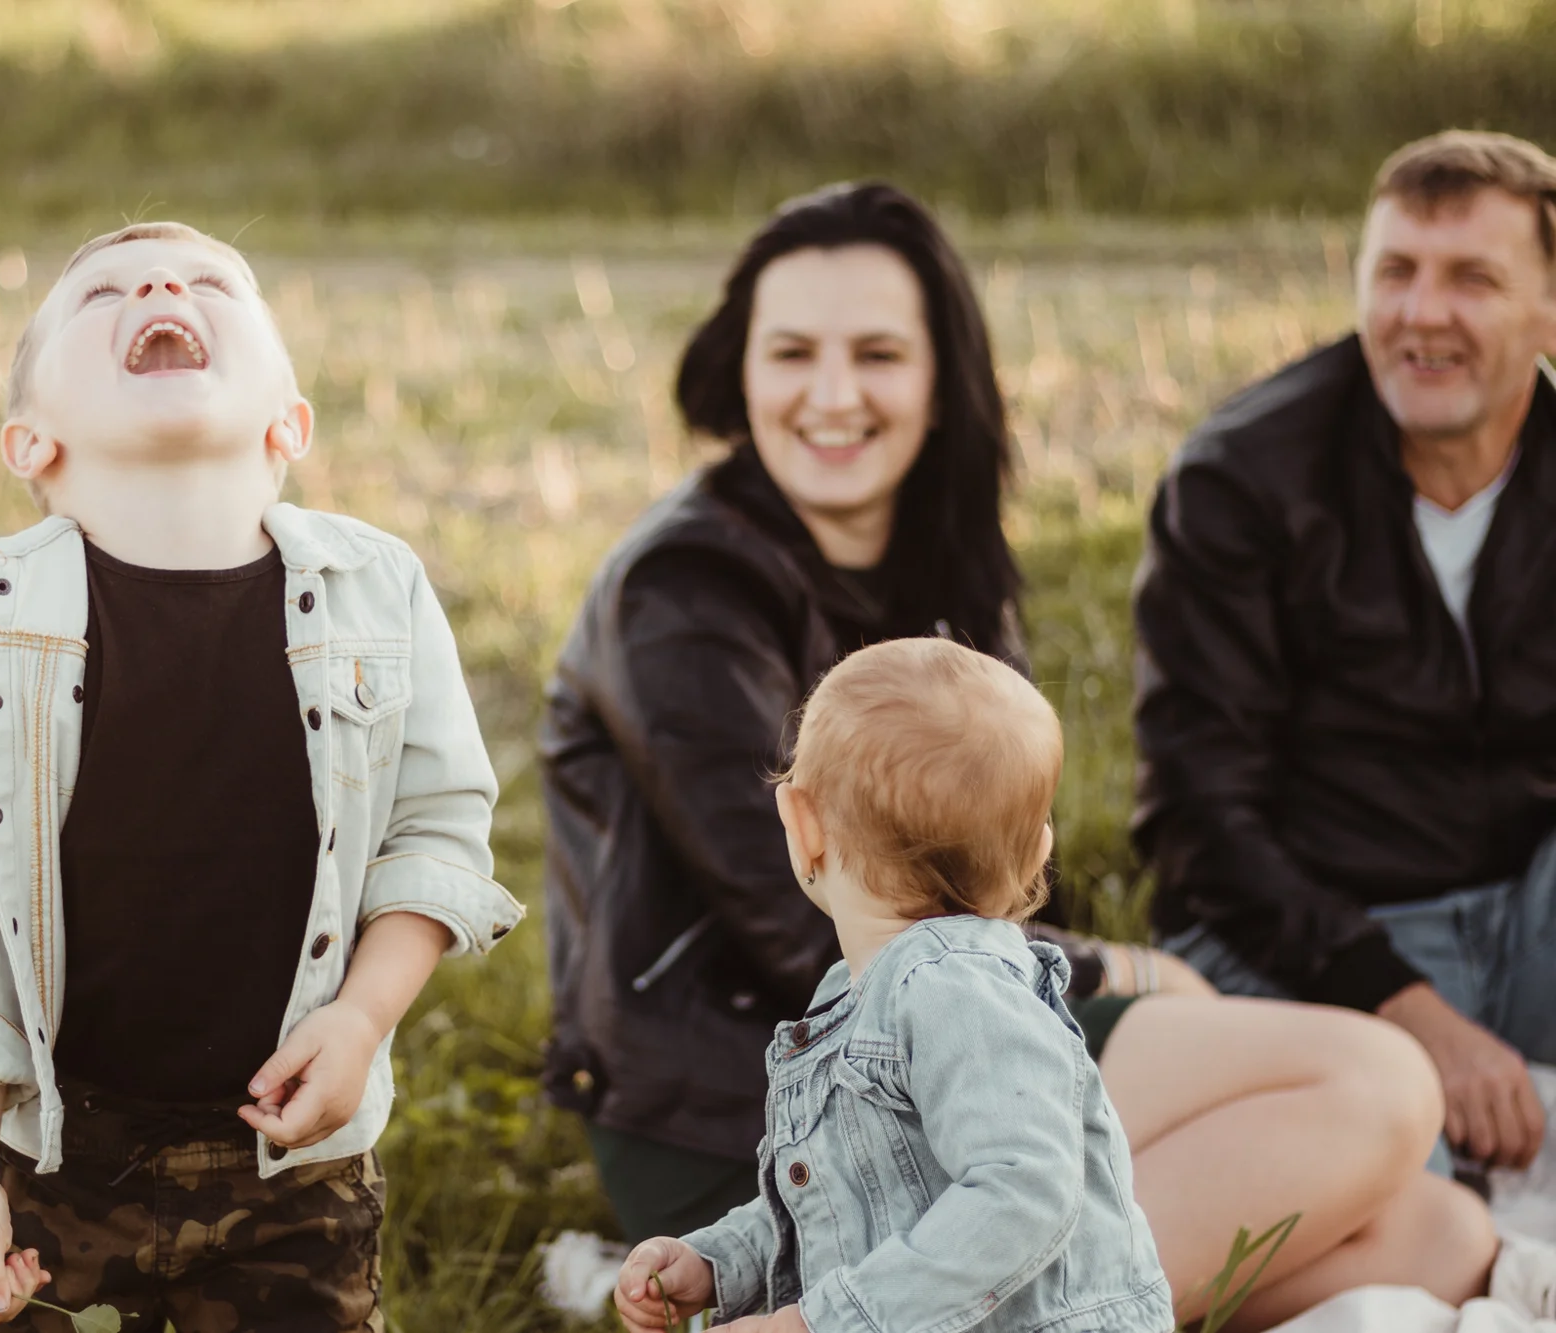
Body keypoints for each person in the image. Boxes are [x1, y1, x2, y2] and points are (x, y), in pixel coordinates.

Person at [541, 181, 1506, 1328]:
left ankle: (948, 1290)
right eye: (792, 351)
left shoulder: (933, 554)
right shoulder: (682, 589)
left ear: (941, 375)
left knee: (1437, 1235)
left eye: (879, 353)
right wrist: (1111, 969)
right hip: (756, 1092)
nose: (833, 393)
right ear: (739, 370)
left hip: (942, 1026)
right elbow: (804, 907)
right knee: (1375, 1084)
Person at [0, 221, 524, 1331]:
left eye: (211, 281)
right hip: (67, 1154)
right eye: (102, 293)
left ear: (289, 421)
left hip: (294, 1158)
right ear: (29, 442)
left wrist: (362, 1019)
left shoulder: (378, 589)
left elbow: (435, 833)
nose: (163, 285)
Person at [1136, 130, 1556, 1180]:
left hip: (1528, 916)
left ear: (1547, 307)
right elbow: (1195, 817)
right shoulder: (1240, 480)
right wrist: (1416, 1016)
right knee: (1361, 1189)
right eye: (1394, 272)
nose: (1421, 312)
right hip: (1316, 936)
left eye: (1471, 278)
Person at [613, 638, 1174, 1333]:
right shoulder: (865, 994)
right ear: (1036, 856)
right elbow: (835, 1194)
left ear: (802, 824)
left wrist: (816, 1322)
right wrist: (717, 1260)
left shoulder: (955, 988)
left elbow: (1024, 1188)